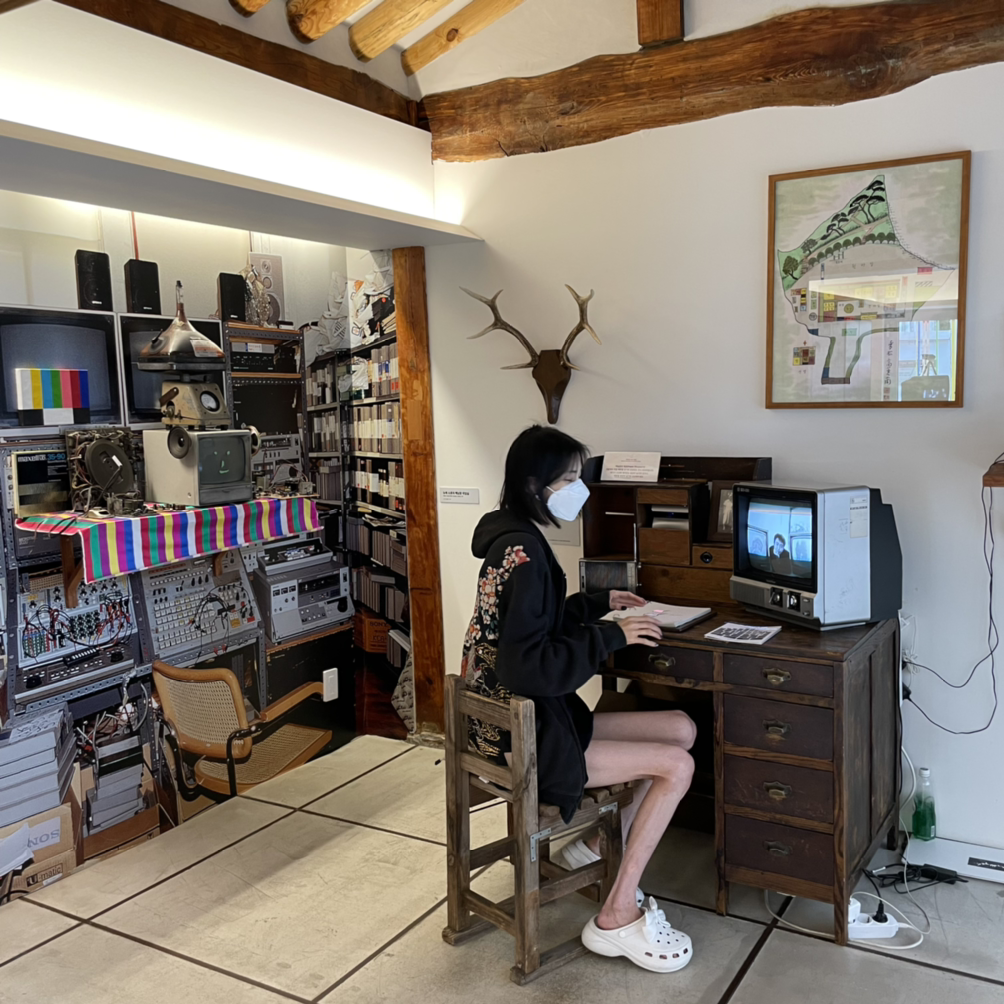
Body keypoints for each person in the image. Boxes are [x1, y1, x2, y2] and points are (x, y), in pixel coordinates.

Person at [461, 425, 696, 974]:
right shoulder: (525, 553)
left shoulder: (511, 538)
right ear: (534, 484)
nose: (577, 489)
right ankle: (617, 912)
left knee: (682, 727)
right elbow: (528, 665)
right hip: (525, 738)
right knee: (678, 765)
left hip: (520, 719)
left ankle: (588, 849)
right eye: (567, 479)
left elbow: (532, 628)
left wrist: (595, 604)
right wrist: (611, 636)